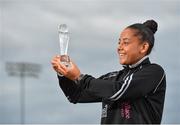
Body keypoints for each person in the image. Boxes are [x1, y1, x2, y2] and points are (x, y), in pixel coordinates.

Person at [51, 20, 166, 124]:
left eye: (125, 43)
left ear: (143, 47)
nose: (119, 47)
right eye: (119, 42)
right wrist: (63, 73)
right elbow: (76, 95)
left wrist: (79, 77)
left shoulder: (153, 72)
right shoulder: (113, 78)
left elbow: (119, 90)